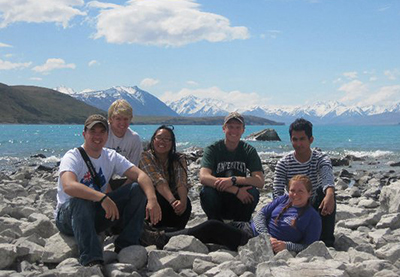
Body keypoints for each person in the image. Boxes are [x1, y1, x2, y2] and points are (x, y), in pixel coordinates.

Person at [54, 114, 161, 267]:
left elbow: (140, 175)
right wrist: (102, 198)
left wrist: (152, 199)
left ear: (107, 135)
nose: (97, 136)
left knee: (137, 189)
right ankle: (91, 259)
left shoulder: (110, 156)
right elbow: (69, 186)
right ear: (84, 134)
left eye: (102, 132)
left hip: (95, 214)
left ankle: (127, 245)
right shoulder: (73, 156)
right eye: (93, 131)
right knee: (80, 200)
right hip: (69, 216)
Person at [142, 175, 321, 253]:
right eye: (292, 190)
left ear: (309, 194)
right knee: (203, 229)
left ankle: (160, 238)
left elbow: (310, 246)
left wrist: (286, 246)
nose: (295, 195)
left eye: (300, 192)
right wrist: (265, 235)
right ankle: (161, 232)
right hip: (250, 229)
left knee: (212, 226)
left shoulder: (312, 217)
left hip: (252, 241)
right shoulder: (283, 200)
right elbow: (260, 215)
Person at [273, 118, 336, 247]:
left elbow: (327, 178)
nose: (298, 143)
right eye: (295, 139)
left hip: (313, 204)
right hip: (293, 204)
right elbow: (277, 191)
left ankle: (327, 241)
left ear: (310, 140)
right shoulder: (284, 163)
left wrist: (330, 194)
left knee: (327, 194)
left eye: (302, 139)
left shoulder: (320, 159)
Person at [199, 112, 264, 222]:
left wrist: (233, 180)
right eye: (230, 127)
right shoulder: (212, 149)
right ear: (224, 128)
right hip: (219, 196)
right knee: (206, 192)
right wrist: (235, 190)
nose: (234, 131)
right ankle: (215, 223)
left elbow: (260, 181)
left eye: (238, 127)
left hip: (240, 199)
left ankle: (241, 224)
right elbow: (203, 177)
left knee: (253, 192)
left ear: (243, 130)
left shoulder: (249, 151)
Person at [139, 125, 192, 230]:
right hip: (153, 200)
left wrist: (183, 202)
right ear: (153, 140)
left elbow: (181, 181)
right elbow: (158, 180)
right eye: (159, 138)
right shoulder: (145, 156)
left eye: (167, 139)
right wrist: (172, 201)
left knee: (186, 202)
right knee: (160, 199)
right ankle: (155, 230)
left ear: (172, 143)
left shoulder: (179, 158)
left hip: (171, 200)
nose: (162, 142)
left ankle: (176, 230)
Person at [105, 99, 143, 189]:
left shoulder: (134, 138)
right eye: (118, 118)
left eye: (126, 119)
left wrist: (121, 190)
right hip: (100, 179)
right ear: (110, 119)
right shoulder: (102, 134)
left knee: (137, 187)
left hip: (122, 180)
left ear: (130, 119)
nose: (122, 123)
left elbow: (135, 172)